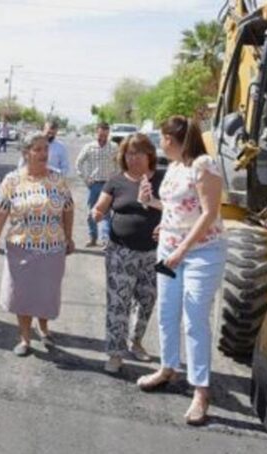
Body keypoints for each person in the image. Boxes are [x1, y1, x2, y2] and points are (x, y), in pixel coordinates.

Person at [136, 116, 226, 426]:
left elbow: (209, 213)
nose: (160, 144)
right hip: (169, 251)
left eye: (162, 138)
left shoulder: (203, 165)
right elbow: (180, 208)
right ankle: (168, 368)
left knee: (194, 319)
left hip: (201, 253)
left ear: (172, 139)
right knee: (167, 311)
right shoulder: (175, 167)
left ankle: (201, 391)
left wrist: (182, 249)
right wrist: (152, 204)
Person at [0, 133, 75, 356]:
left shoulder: (58, 179)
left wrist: (69, 237)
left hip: (52, 248)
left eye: (46, 149)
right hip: (21, 247)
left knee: (46, 293)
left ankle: (43, 328)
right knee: (23, 294)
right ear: (26, 153)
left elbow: (68, 209)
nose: (44, 154)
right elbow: (0, 214)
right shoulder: (12, 180)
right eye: (38, 149)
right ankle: (25, 338)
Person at [91, 133, 163, 373]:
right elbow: (101, 207)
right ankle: (115, 353)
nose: (134, 158)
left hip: (155, 253)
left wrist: (153, 202)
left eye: (139, 153)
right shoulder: (116, 181)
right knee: (118, 303)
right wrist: (97, 213)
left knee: (147, 300)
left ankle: (136, 341)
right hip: (120, 252)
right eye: (129, 154)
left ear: (149, 155)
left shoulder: (163, 179)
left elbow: (177, 208)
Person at [76, 122, 118, 248]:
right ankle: (92, 237)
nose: (103, 138)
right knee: (91, 213)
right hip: (94, 185)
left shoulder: (114, 147)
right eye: (100, 135)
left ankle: (105, 240)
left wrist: (116, 179)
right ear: (96, 133)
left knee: (106, 214)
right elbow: (78, 163)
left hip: (108, 185)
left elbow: (120, 164)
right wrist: (85, 178)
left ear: (108, 133)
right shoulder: (89, 147)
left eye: (105, 135)